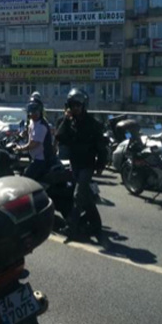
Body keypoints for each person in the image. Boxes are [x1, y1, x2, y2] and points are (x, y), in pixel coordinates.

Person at [55, 88, 107, 241]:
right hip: (75, 164)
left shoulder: (93, 123)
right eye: (72, 105)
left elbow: (101, 147)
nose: (75, 108)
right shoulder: (70, 123)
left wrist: (100, 165)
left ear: (84, 105)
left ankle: (71, 228)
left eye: (78, 105)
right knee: (85, 197)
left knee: (78, 196)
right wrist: (66, 118)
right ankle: (96, 226)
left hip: (88, 165)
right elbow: (59, 137)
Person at [15, 96, 54, 181]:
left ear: (40, 111)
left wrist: (20, 148)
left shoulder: (41, 126)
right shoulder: (33, 122)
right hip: (34, 157)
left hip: (41, 160)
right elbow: (28, 131)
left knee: (26, 178)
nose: (33, 114)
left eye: (35, 111)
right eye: (31, 111)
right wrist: (20, 136)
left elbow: (33, 144)